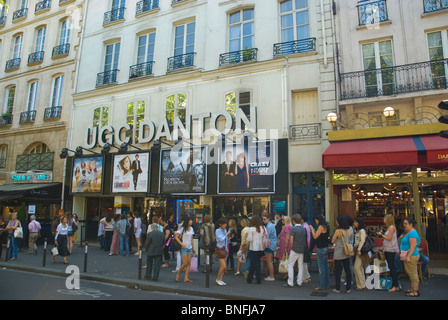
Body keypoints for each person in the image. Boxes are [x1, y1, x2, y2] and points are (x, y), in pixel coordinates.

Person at [377, 214, 400, 292]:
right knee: (391, 266)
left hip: (390, 250)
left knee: (391, 266)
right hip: (388, 249)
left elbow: (389, 238)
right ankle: (394, 284)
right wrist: (383, 248)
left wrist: (381, 235)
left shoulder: (391, 228)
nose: (383, 219)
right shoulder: (391, 227)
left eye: (385, 218)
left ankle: (395, 285)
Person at [284, 214, 307, 288]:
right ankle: (299, 281)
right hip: (302, 249)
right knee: (300, 265)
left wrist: (291, 248)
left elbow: (291, 241)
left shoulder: (293, 229)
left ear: (293, 221)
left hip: (295, 249)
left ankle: (290, 282)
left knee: (291, 265)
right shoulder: (303, 229)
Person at [332, 216, 352, 293]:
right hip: (346, 252)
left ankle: (337, 288)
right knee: (347, 270)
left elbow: (333, 240)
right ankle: (348, 288)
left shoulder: (338, 231)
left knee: (338, 271)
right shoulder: (349, 230)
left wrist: (337, 242)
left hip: (339, 252)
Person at [310, 215, 330, 291]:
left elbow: (315, 236)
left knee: (321, 268)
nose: (316, 222)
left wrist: (312, 229)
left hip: (320, 248)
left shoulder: (321, 227)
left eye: (316, 220)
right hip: (326, 247)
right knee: (326, 267)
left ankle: (321, 285)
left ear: (319, 220)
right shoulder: (326, 226)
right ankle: (326, 284)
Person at [401, 218, 420, 297]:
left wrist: (408, 256)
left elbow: (412, 246)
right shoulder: (409, 233)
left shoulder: (412, 233)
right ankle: (412, 288)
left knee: (413, 273)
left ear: (411, 224)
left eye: (406, 223)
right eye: (404, 223)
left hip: (411, 256)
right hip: (409, 255)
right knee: (411, 272)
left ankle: (415, 291)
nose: (404, 225)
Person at [175, 217, 196, 283]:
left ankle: (186, 277)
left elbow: (192, 239)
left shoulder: (191, 229)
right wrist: (181, 244)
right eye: (190, 220)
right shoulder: (183, 229)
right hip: (184, 247)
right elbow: (176, 237)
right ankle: (178, 274)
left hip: (189, 247)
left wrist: (193, 248)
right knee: (185, 263)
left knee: (188, 263)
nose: (191, 221)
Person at [246, 215, 264, 284]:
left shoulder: (251, 229)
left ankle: (250, 278)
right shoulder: (261, 228)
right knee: (256, 263)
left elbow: (249, 239)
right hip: (260, 247)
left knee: (254, 263)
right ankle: (257, 279)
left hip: (253, 247)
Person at [353, 217, 368, 291]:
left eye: (356, 222)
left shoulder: (361, 230)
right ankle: (362, 283)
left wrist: (359, 249)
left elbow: (362, 240)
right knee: (360, 267)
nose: (354, 224)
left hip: (360, 251)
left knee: (356, 267)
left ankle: (360, 285)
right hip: (359, 250)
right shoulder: (359, 230)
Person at [262, 211, 277, 281]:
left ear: (268, 219)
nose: (263, 220)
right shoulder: (270, 225)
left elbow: (266, 235)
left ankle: (271, 276)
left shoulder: (269, 226)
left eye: (264, 219)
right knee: (269, 261)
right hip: (271, 244)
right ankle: (271, 275)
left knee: (269, 261)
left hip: (269, 245)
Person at [215, 218, 230, 286]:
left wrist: (227, 250)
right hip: (219, 249)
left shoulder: (225, 230)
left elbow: (226, 241)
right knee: (223, 266)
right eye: (224, 224)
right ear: (221, 224)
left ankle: (221, 279)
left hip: (224, 249)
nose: (226, 225)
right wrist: (226, 235)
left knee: (223, 266)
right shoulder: (217, 231)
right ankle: (218, 279)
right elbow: (221, 239)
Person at [278, 215, 292, 280]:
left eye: (283, 220)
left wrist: (286, 246)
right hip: (283, 244)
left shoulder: (287, 227)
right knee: (285, 258)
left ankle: (287, 274)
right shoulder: (285, 227)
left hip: (285, 245)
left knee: (286, 258)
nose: (282, 221)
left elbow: (287, 237)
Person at [301, 216, 312, 283]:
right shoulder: (306, 226)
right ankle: (306, 275)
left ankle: (305, 276)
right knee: (304, 261)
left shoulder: (304, 227)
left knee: (303, 261)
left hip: (304, 245)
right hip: (307, 245)